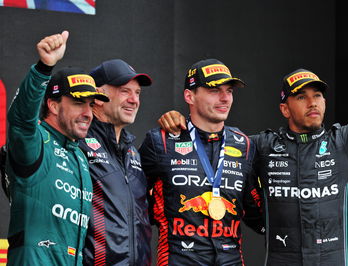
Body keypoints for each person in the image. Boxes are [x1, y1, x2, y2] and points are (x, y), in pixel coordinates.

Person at [159, 7, 348, 266]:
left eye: (317, 95)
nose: (312, 103)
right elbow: (210, 140)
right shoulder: (261, 146)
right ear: (285, 108)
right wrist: (179, 120)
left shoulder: (346, 142)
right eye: (301, 96)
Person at [139, 59, 264, 266]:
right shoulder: (160, 141)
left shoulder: (245, 145)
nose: (225, 98)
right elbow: (134, 203)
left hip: (231, 260)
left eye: (230, 91)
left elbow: (256, 212)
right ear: (190, 96)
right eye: (214, 90)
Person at [5, 31, 109, 265]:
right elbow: (21, 120)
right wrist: (43, 68)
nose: (87, 113)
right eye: (78, 103)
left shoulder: (80, 156)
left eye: (91, 105)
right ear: (52, 105)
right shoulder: (36, 142)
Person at [79, 59, 152, 265]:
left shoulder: (132, 152)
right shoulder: (76, 143)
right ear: (99, 97)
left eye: (137, 93)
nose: (134, 100)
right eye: (124, 91)